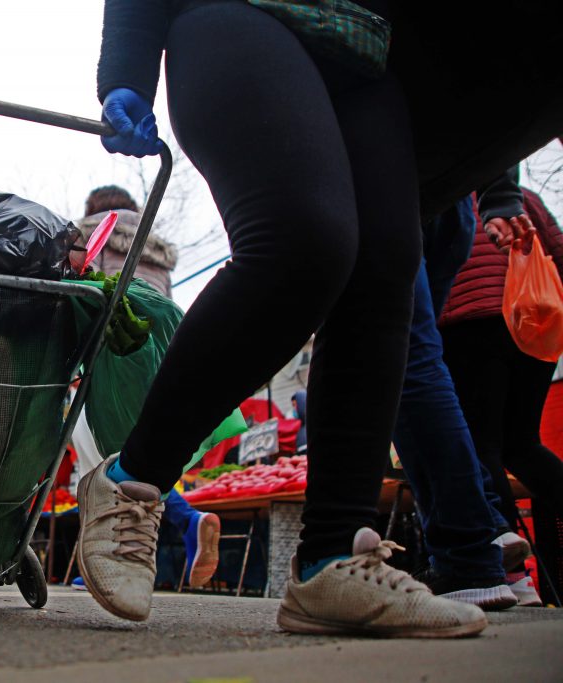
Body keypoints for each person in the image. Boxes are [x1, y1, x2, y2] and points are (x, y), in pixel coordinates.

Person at [77, 0, 490, 636]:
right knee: (305, 241)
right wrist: (127, 68)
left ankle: (333, 559)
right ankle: (134, 480)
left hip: (364, 45)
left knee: (385, 268)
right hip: (241, 14)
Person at [70, 186, 221, 591]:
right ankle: (178, 528)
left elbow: (86, 294)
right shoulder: (156, 249)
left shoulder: (93, 234)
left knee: (97, 466)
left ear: (93, 209)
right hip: (157, 363)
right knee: (141, 457)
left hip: (108, 361)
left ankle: (108, 562)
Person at [391, 184, 522, 611]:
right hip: (453, 205)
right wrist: (500, 196)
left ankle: (467, 555)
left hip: (393, 192)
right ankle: (488, 528)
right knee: (420, 369)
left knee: (405, 368)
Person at [439, 181, 563, 607]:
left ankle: (510, 576)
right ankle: (511, 572)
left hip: (471, 323)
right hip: (535, 327)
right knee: (524, 445)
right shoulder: (521, 196)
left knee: (483, 447)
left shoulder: (446, 193)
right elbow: (558, 250)